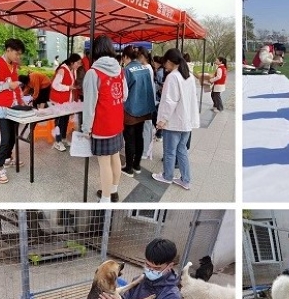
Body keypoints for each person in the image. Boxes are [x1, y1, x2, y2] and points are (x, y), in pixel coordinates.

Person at [81, 35, 128, 203]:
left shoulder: (93, 73)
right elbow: (124, 96)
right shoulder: (120, 70)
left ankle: (106, 199)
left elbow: (89, 105)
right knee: (115, 157)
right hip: (117, 121)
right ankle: (113, 190)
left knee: (104, 163)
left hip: (102, 124)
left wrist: (86, 128)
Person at [151, 48, 200, 191]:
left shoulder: (173, 76)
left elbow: (169, 101)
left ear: (170, 61)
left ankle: (167, 176)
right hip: (186, 121)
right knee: (182, 150)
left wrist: (162, 120)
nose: (164, 64)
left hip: (174, 121)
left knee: (170, 151)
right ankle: (186, 179)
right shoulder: (188, 75)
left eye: (165, 61)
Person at [0, 38, 26, 184]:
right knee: (5, 138)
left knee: (13, 136)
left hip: (13, 107)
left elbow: (16, 87)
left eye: (20, 55)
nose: (18, 57)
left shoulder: (14, 66)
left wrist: (22, 102)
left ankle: (7, 158)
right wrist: (8, 85)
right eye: (17, 54)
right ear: (8, 50)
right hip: (0, 108)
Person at [120, 45, 156, 177]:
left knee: (129, 139)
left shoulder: (126, 70)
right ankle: (136, 164)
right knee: (139, 136)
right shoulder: (144, 68)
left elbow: (123, 92)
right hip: (144, 109)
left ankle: (128, 168)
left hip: (131, 109)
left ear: (125, 57)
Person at [49, 53, 82, 151]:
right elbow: (55, 85)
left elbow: (71, 84)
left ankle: (62, 139)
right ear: (72, 62)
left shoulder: (72, 70)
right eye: (78, 63)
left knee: (65, 120)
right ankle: (57, 142)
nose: (79, 65)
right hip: (58, 100)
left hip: (66, 100)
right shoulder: (62, 70)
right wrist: (68, 87)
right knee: (59, 121)